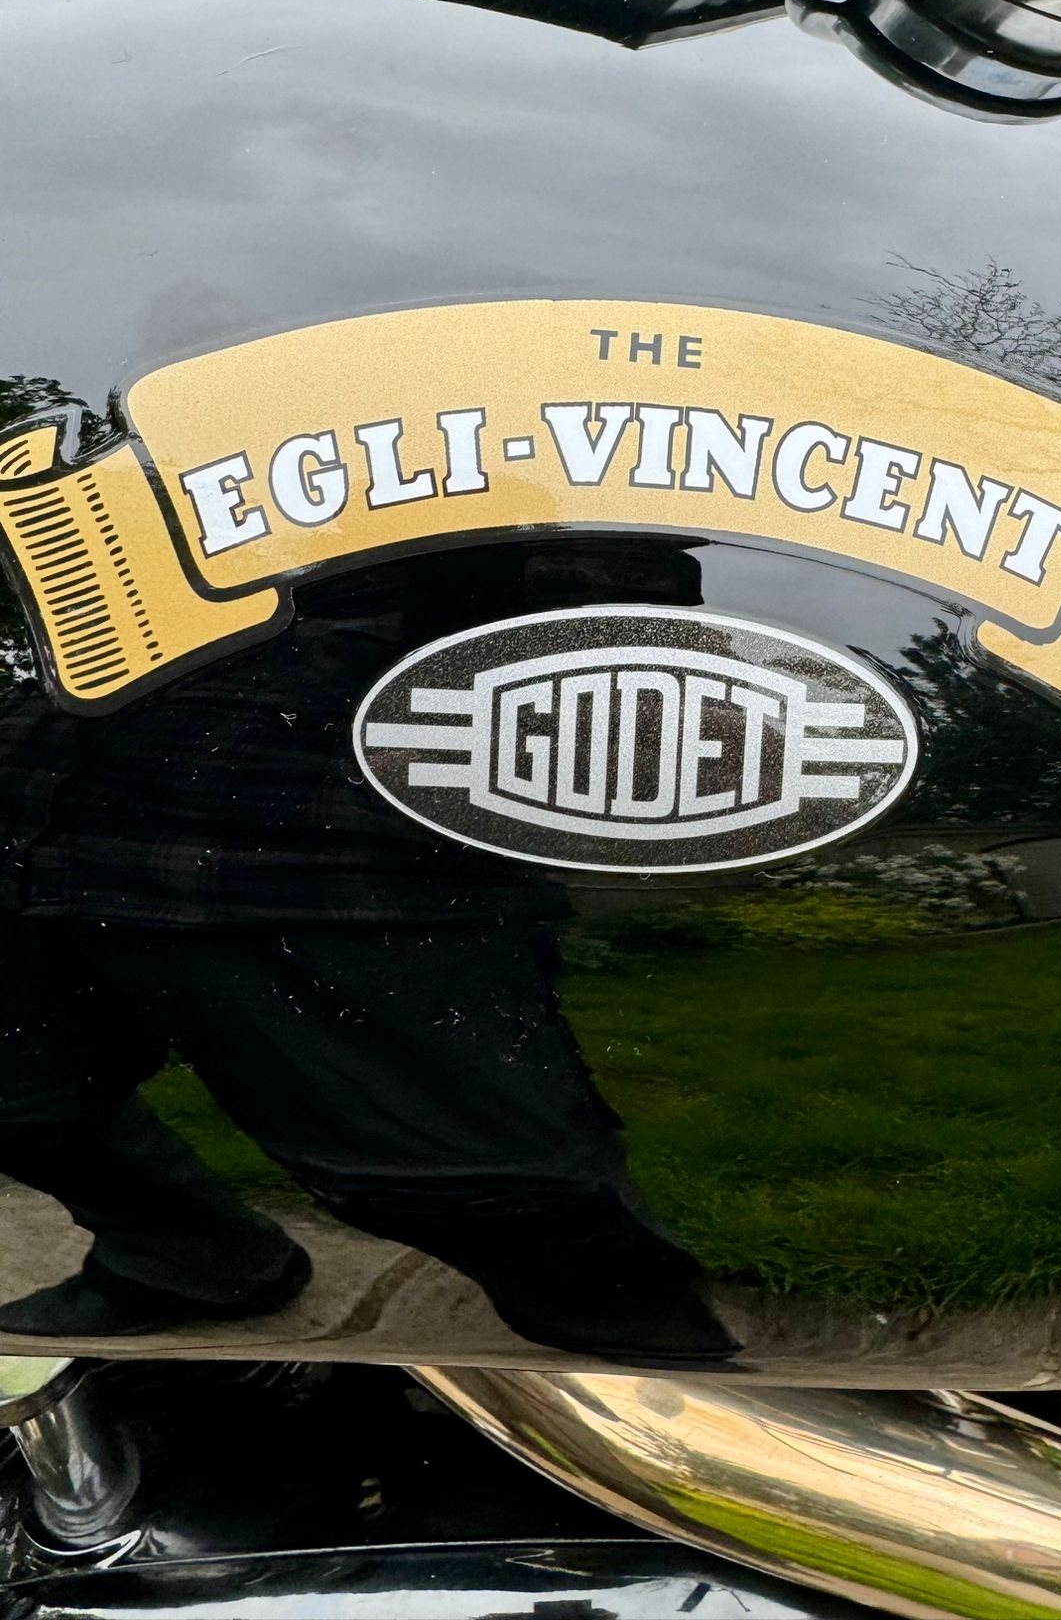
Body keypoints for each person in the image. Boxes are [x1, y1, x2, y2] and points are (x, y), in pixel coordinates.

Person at [0, 543, 738, 1364]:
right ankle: (187, 1257)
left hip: (312, 788)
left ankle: (657, 1362)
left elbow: (629, 573)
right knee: (21, 1098)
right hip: (57, 748)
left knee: (469, 1171)